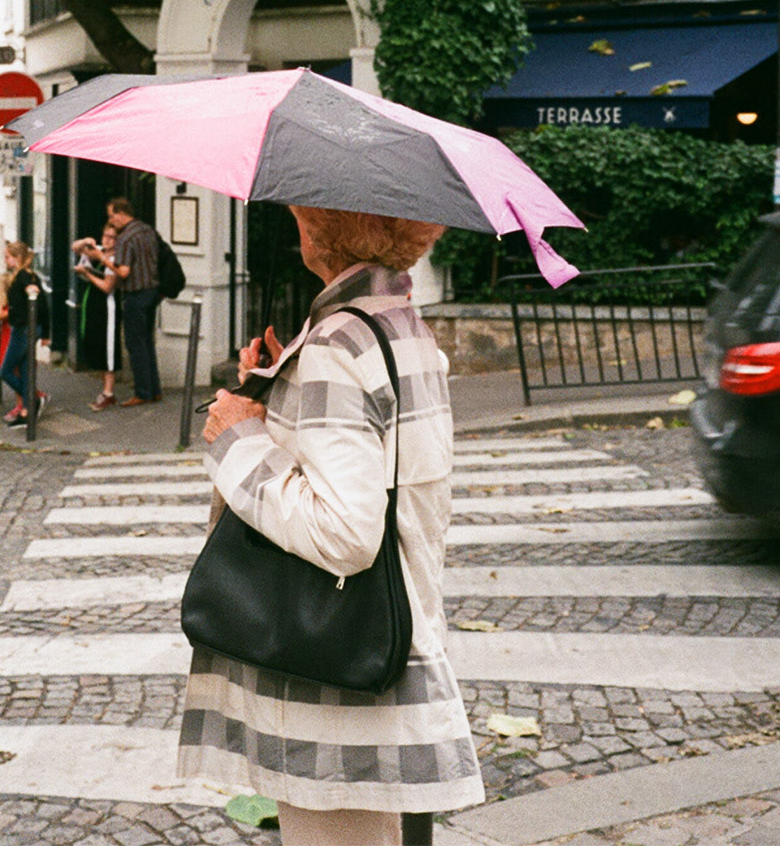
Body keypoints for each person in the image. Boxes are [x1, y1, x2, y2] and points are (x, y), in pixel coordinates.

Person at [180, 204, 483, 844]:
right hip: (392, 637)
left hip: (332, 681)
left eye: (301, 212)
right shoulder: (401, 327)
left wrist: (237, 437)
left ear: (323, 226)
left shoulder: (338, 345)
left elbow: (344, 533)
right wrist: (275, 387)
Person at [84, 196, 162, 406]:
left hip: (135, 293)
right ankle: (154, 390)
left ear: (120, 214)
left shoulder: (126, 238)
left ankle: (142, 392)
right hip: (152, 291)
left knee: (135, 344)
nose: (111, 220)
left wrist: (103, 259)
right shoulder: (147, 230)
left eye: (112, 216)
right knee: (147, 342)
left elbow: (124, 272)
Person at [71, 224, 121, 411]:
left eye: (111, 237)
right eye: (104, 235)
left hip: (107, 307)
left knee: (108, 350)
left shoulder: (115, 259)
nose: (106, 240)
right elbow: (76, 248)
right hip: (93, 304)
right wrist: (85, 241)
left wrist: (87, 274)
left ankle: (108, 393)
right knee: (98, 346)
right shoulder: (99, 252)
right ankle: (106, 391)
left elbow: (108, 286)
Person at [0, 240, 50, 426]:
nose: (5, 260)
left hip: (24, 329)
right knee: (24, 370)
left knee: (5, 371)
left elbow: (40, 302)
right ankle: (27, 412)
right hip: (27, 327)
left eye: (8, 257)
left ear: (18, 258)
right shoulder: (23, 275)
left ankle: (34, 400)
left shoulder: (24, 276)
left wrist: (46, 333)